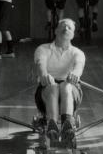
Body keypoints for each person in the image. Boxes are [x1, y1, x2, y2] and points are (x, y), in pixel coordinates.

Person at [33, 17, 85, 146]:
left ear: (73, 34)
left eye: (70, 28)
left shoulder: (78, 53)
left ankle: (67, 124)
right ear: (56, 30)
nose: (66, 29)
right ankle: (52, 126)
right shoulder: (42, 49)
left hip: (70, 89)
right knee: (53, 87)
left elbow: (79, 66)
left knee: (66, 86)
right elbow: (41, 64)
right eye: (63, 26)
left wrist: (75, 74)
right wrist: (44, 75)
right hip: (47, 89)